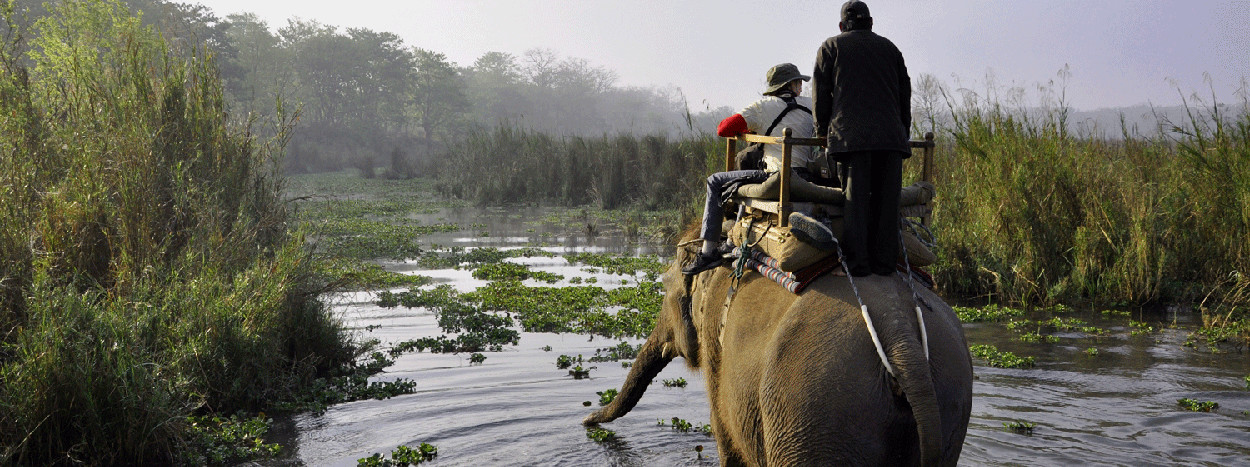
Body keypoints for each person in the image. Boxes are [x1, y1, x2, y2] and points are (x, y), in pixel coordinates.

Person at [683, 63, 818, 275]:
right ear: (791, 85)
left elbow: (724, 129)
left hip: (774, 176)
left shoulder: (763, 106)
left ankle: (708, 253)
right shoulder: (811, 105)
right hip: (804, 176)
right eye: (798, 82)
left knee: (715, 181)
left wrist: (750, 129)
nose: (801, 86)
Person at [812, 0, 912, 276]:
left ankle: (857, 266)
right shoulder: (890, 48)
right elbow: (905, 94)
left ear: (842, 26)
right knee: (887, 202)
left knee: (855, 203)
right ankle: (885, 265)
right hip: (891, 139)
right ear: (871, 23)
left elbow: (821, 94)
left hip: (850, 138)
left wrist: (822, 131)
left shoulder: (831, 47)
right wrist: (903, 132)